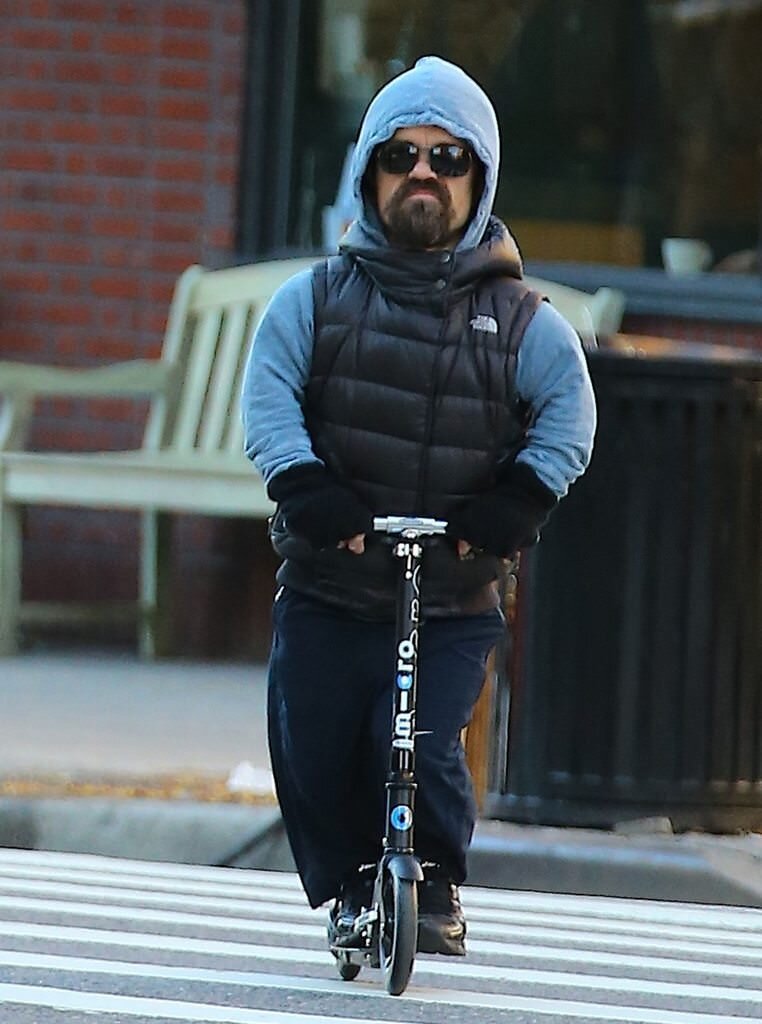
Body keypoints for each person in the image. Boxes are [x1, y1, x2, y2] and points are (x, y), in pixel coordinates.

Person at [241, 55, 596, 957]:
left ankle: (431, 882)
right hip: (329, 582)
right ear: (370, 174)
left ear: (480, 180)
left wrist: (517, 502)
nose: (424, 174)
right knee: (315, 737)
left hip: (450, 594)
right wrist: (305, 487)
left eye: (449, 158)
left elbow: (569, 415)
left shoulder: (521, 321)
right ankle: (350, 885)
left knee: (423, 740)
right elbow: (269, 394)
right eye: (401, 156)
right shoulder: (315, 301)